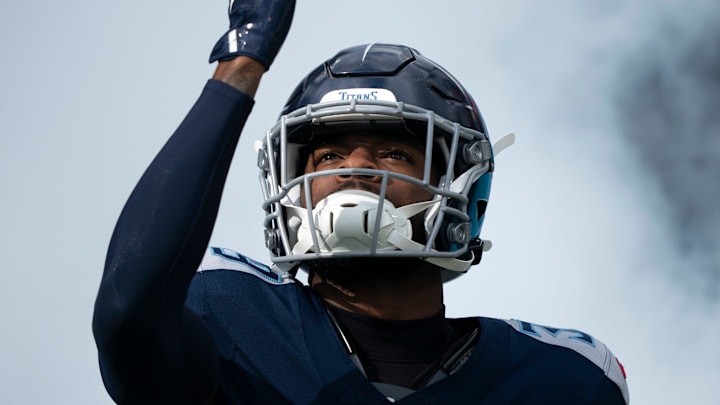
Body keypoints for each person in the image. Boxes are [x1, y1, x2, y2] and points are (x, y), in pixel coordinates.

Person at [92, 1, 629, 403]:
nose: (354, 169)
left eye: (393, 152)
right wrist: (240, 66)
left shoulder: (566, 381)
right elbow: (126, 314)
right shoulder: (233, 315)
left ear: (464, 187)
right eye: (325, 156)